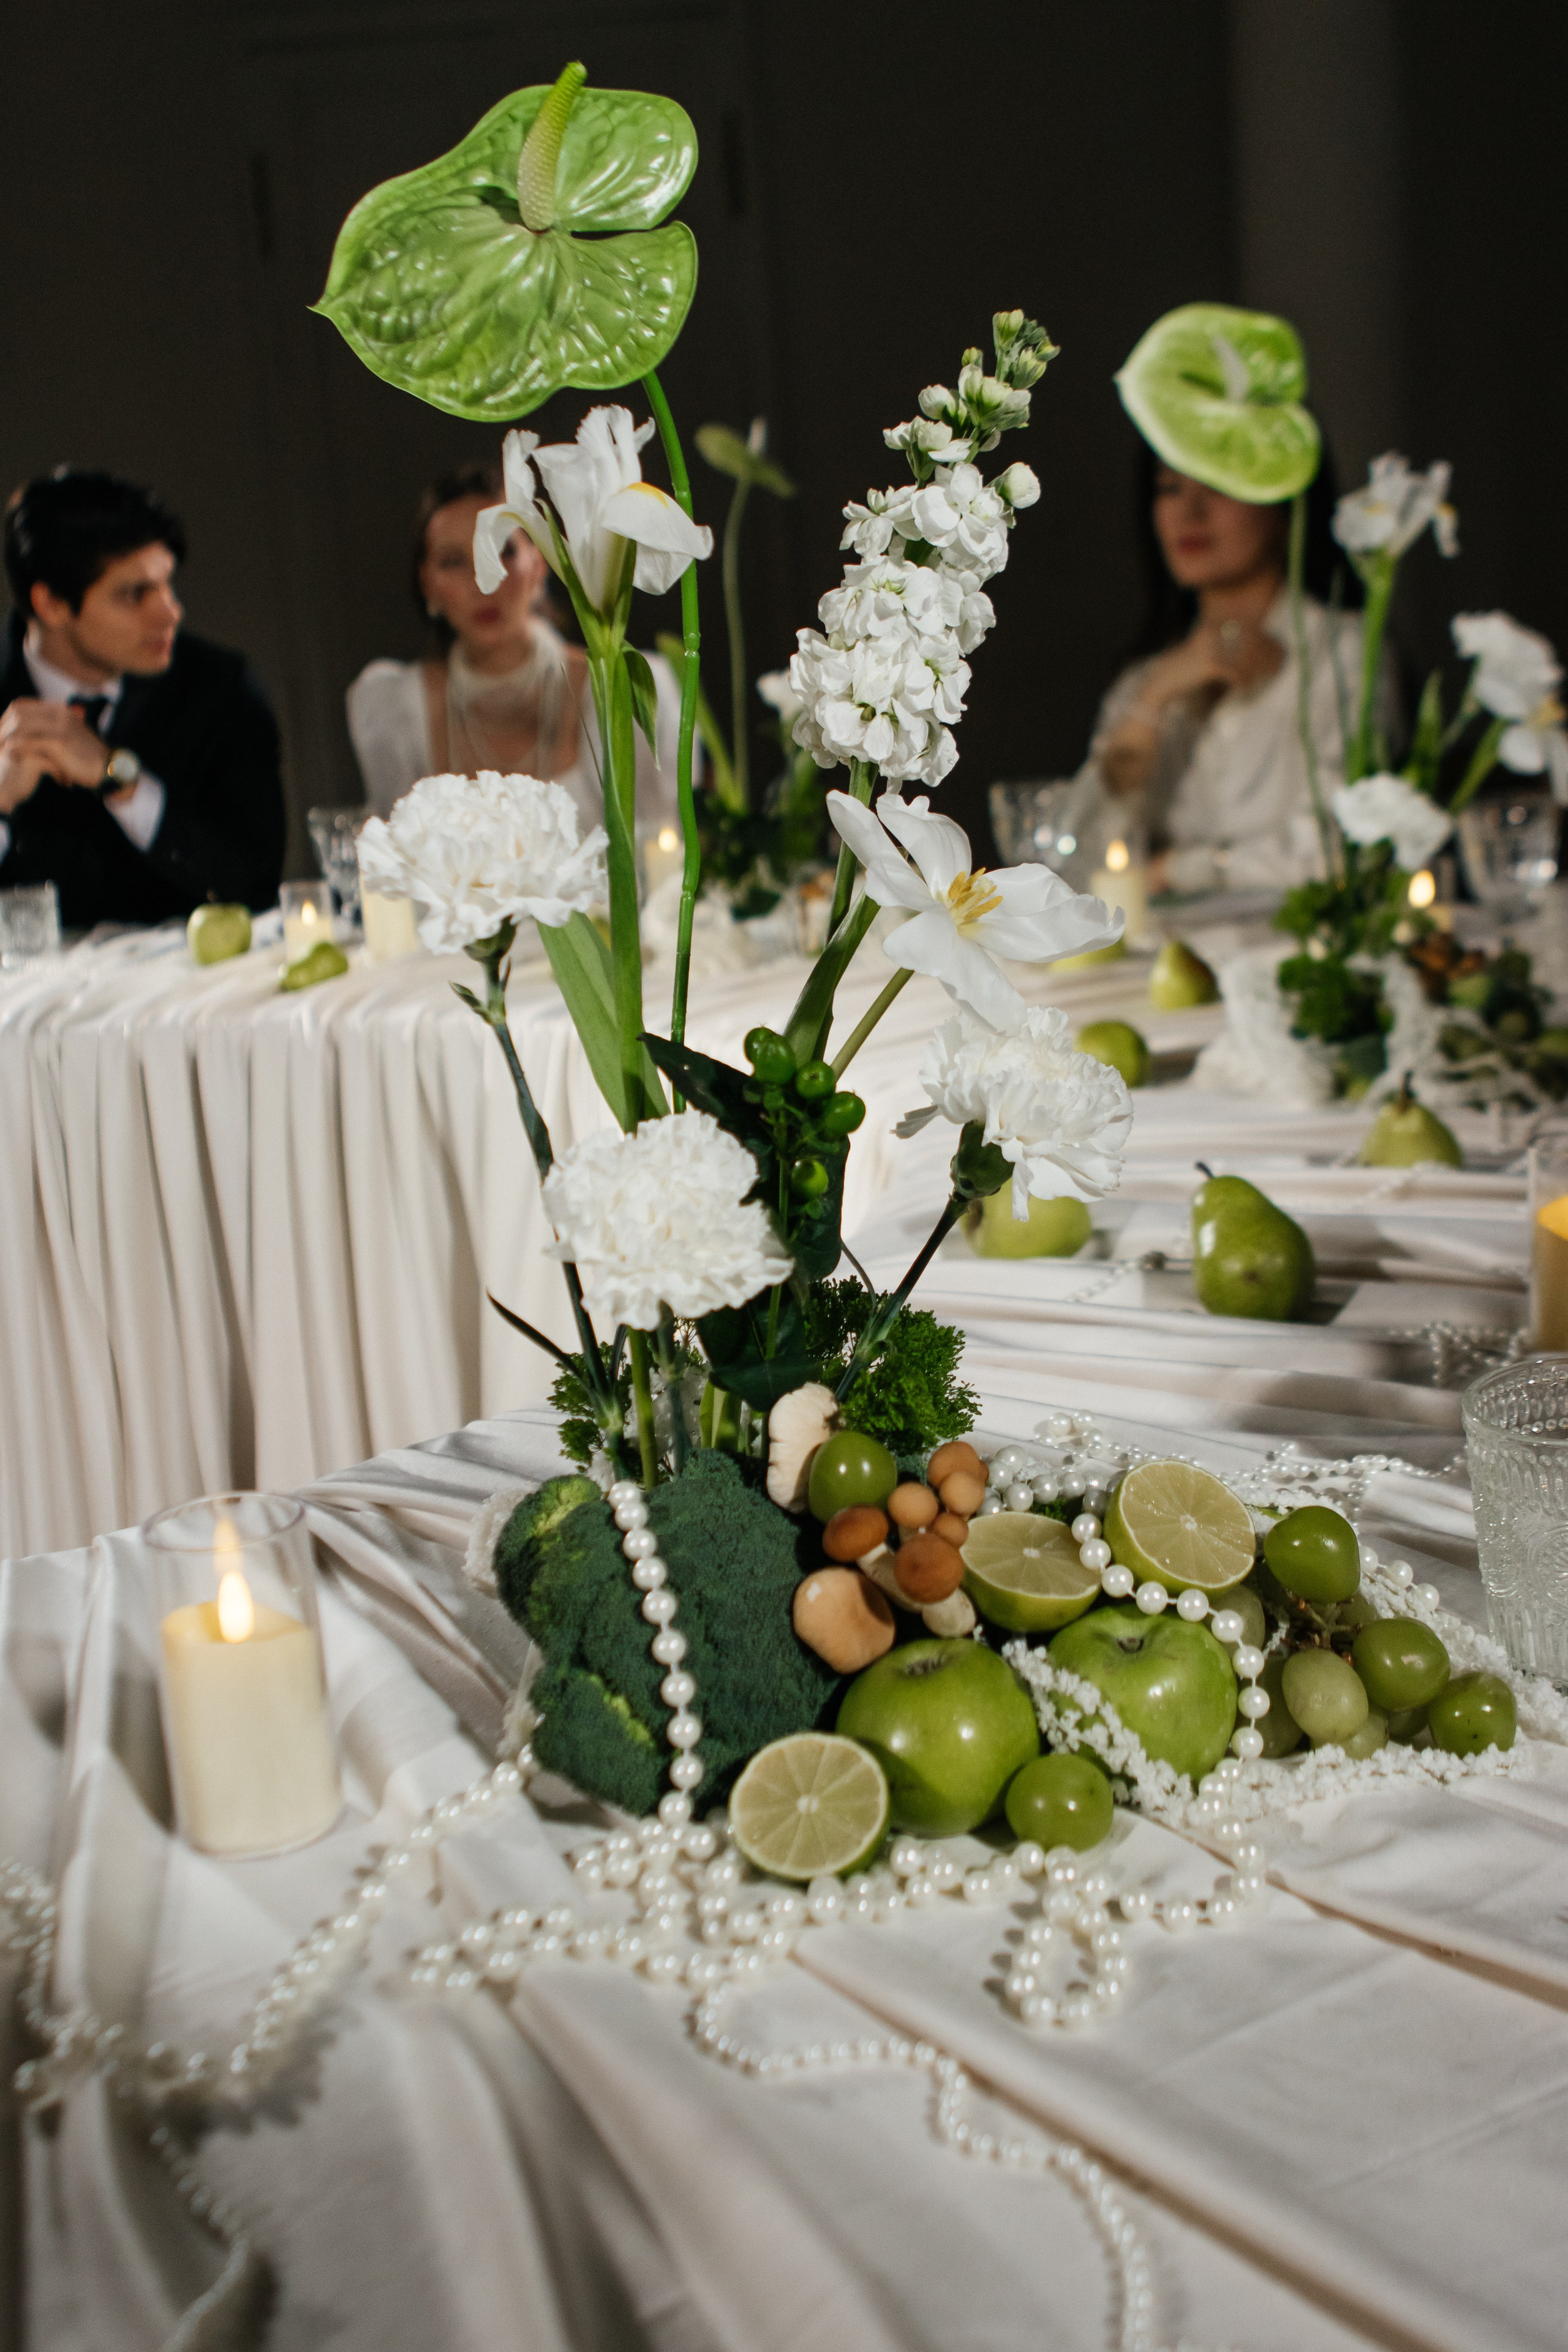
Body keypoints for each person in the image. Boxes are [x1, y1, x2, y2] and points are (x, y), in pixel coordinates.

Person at [1069, 445, 1392, 894]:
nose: (1190, 513)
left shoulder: (1342, 652)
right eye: (1170, 488)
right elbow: (1076, 863)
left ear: (1281, 503)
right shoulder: (1148, 678)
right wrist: (1152, 700)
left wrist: (1178, 870)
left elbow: (1339, 849)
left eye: (1219, 486)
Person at [0, 469, 285, 929]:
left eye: (167, 583)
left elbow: (255, 885)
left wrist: (118, 775)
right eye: (134, 595)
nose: (171, 612)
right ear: (50, 604)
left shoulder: (221, 688)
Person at [347, 464, 682, 834]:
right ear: (427, 584)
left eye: (502, 550)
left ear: (539, 564)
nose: (483, 581)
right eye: (454, 562)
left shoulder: (624, 694)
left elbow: (665, 848)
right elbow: (394, 858)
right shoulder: (395, 712)